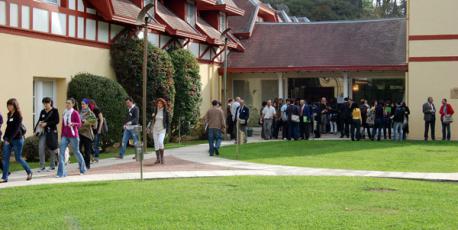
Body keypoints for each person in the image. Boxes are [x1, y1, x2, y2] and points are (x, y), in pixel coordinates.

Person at [1, 99, 32, 183]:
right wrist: (5, 137)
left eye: (10, 105)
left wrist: (9, 139)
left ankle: (29, 172)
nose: (9, 107)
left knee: (18, 158)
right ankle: (4, 177)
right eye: (8, 105)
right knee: (5, 158)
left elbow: (16, 129)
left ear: (15, 105)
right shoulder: (9, 114)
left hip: (17, 139)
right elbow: (8, 127)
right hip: (8, 140)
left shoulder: (18, 115)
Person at [57, 98, 87, 178]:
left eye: (69, 103)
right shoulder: (64, 113)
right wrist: (61, 135)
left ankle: (82, 169)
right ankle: (61, 173)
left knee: (76, 152)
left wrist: (73, 124)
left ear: (73, 104)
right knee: (61, 153)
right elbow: (63, 125)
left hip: (73, 136)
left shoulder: (75, 113)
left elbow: (79, 124)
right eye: (66, 103)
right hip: (65, 136)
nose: (67, 105)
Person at [35, 97, 59, 172]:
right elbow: (40, 120)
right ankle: (42, 166)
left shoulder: (55, 111)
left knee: (51, 148)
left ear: (50, 103)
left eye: (46, 103)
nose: (45, 105)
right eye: (44, 103)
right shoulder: (42, 111)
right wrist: (36, 129)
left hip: (51, 132)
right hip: (43, 132)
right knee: (41, 148)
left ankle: (52, 166)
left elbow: (57, 121)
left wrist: (47, 124)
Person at [150, 98, 170, 164]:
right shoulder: (155, 111)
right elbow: (153, 120)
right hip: (155, 129)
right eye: (158, 103)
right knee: (156, 144)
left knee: (160, 142)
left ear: (163, 104)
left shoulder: (166, 112)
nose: (159, 104)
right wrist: (153, 116)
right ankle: (158, 159)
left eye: (160, 103)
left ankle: (162, 158)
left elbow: (167, 122)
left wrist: (167, 131)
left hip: (162, 130)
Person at [79, 99, 97, 170]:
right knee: (78, 150)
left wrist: (85, 121)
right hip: (80, 133)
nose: (82, 105)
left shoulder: (90, 113)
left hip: (87, 134)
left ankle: (87, 165)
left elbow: (94, 121)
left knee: (87, 151)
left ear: (87, 105)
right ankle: (82, 163)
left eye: (83, 104)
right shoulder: (80, 112)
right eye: (82, 104)